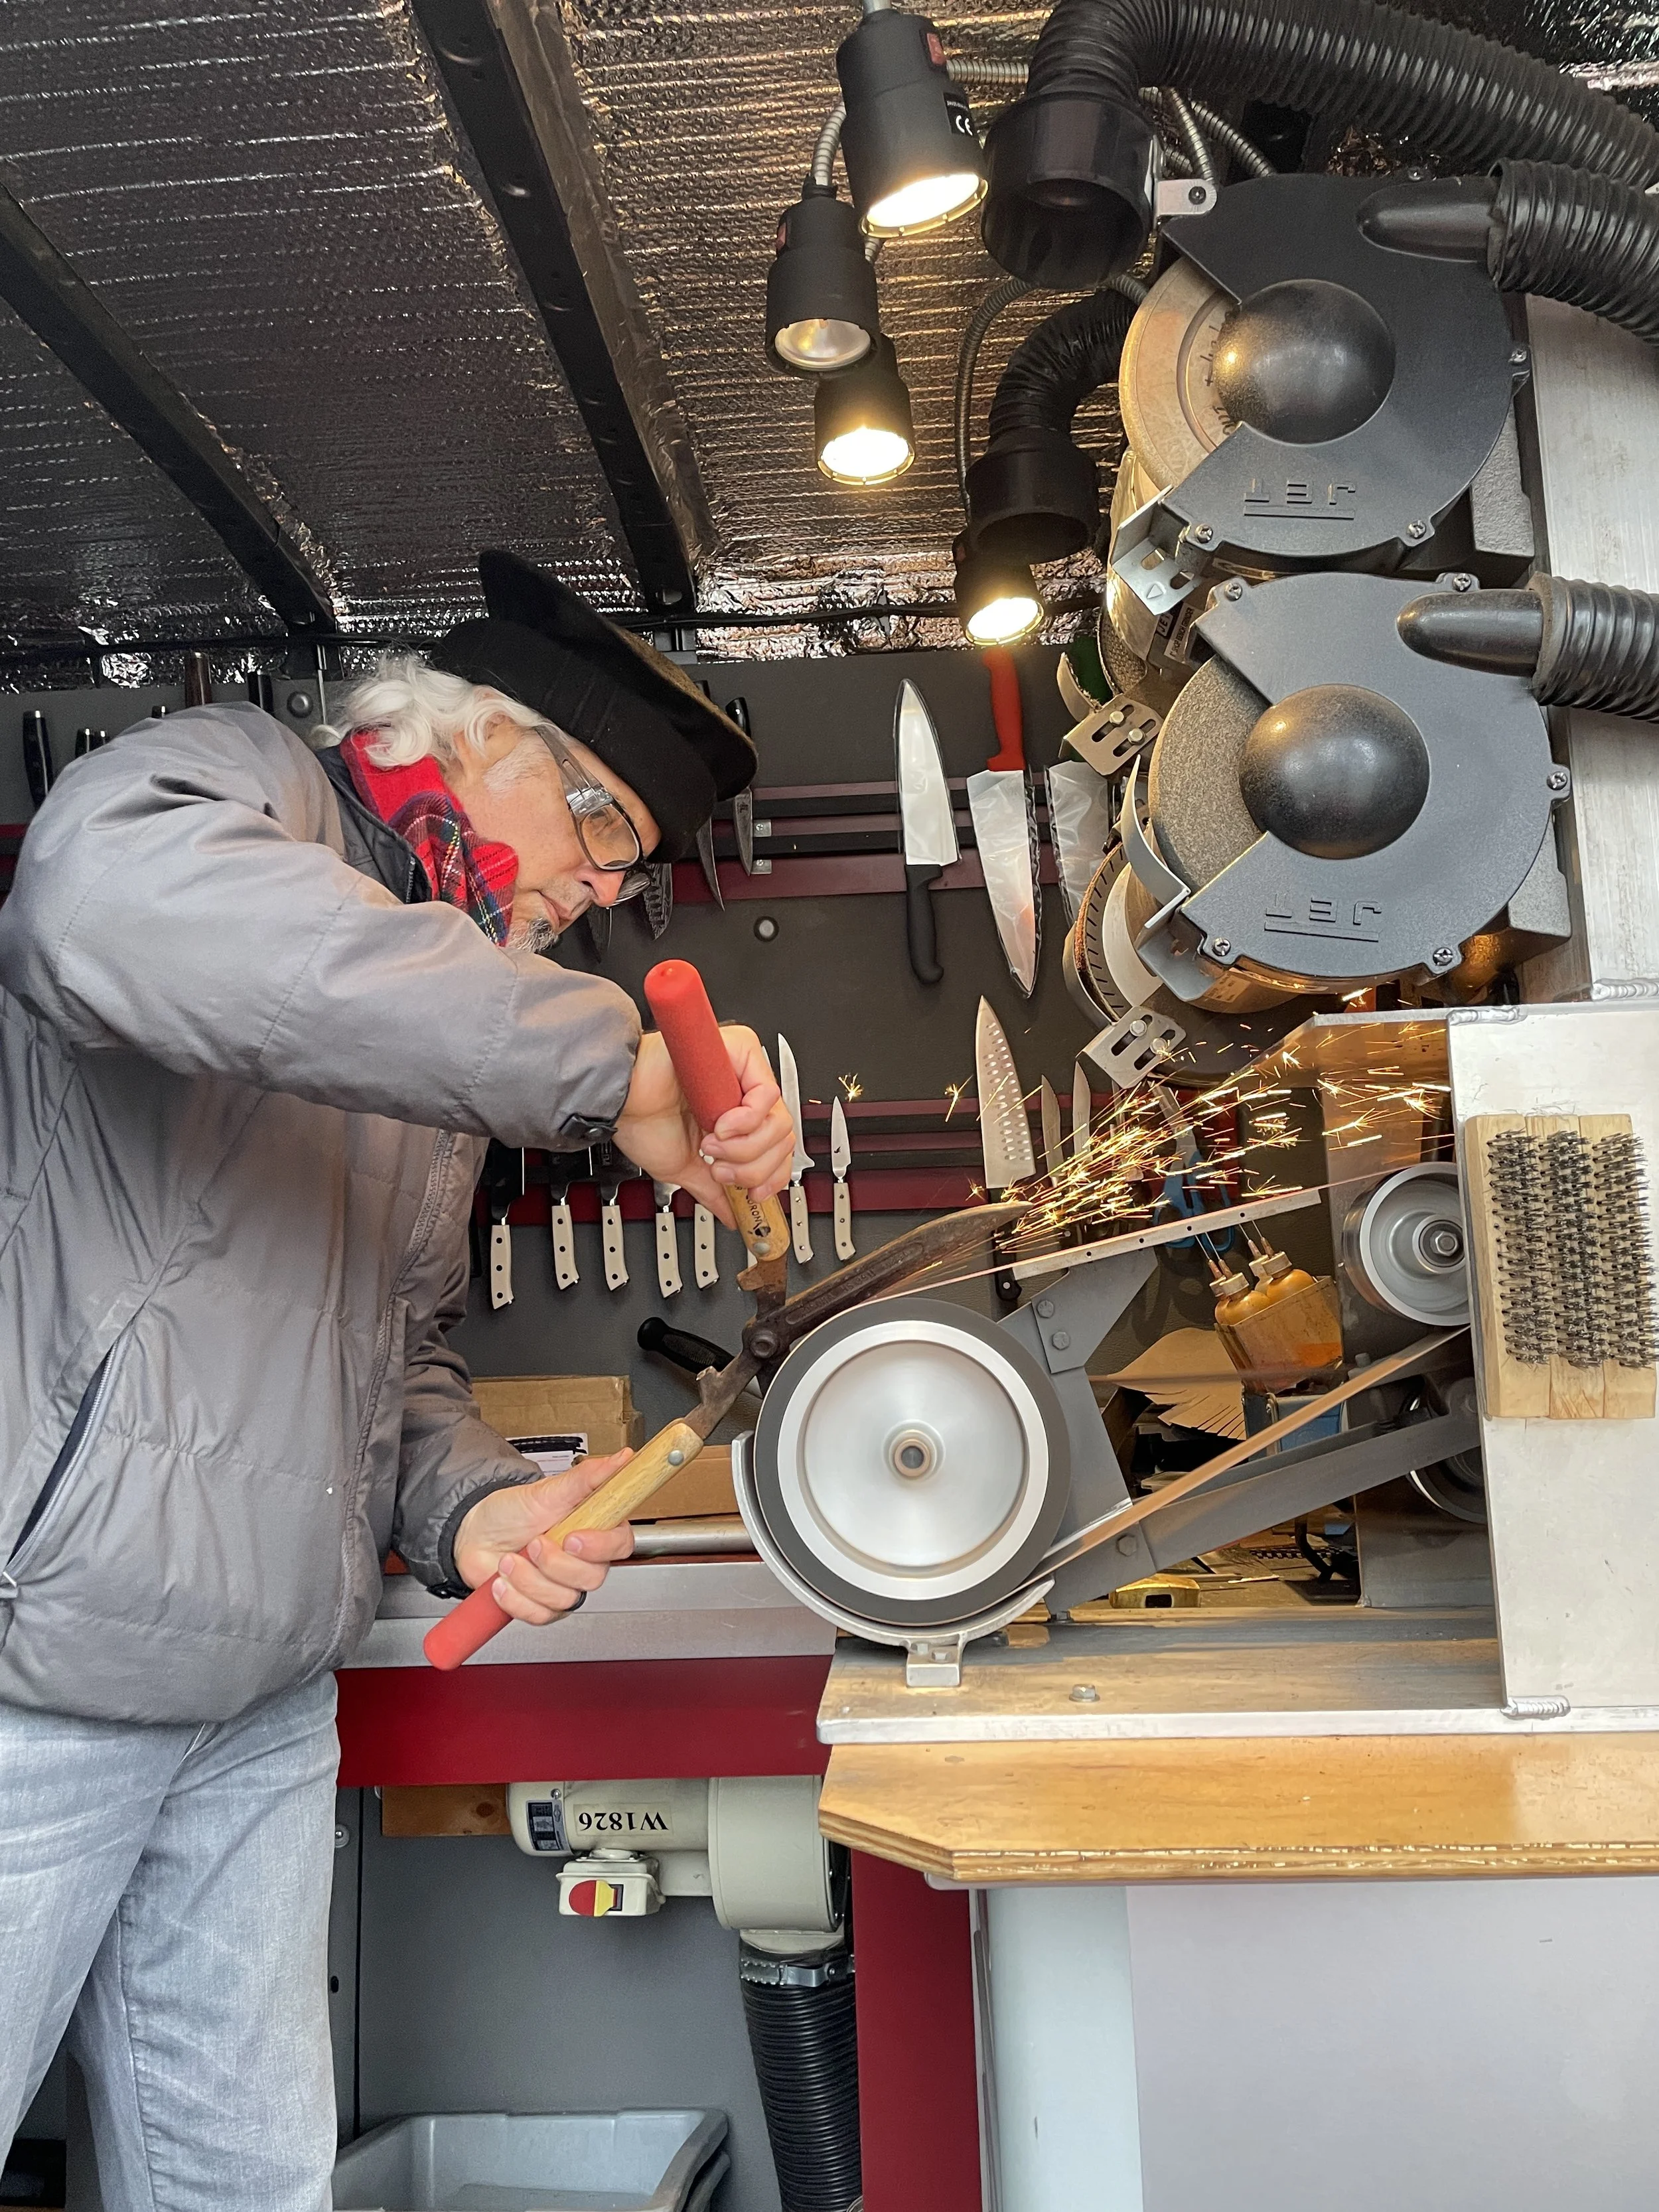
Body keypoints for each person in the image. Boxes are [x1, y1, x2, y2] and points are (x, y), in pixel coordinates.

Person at [0, 550, 795, 2210]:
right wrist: (605, 1059)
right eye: (595, 828)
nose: (591, 890)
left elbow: (393, 1349)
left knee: (249, 2190)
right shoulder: (244, 787)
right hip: (39, 1664)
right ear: (469, 733)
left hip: (259, 1696)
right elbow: (95, 908)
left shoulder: (441, 1025)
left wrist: (477, 1502)